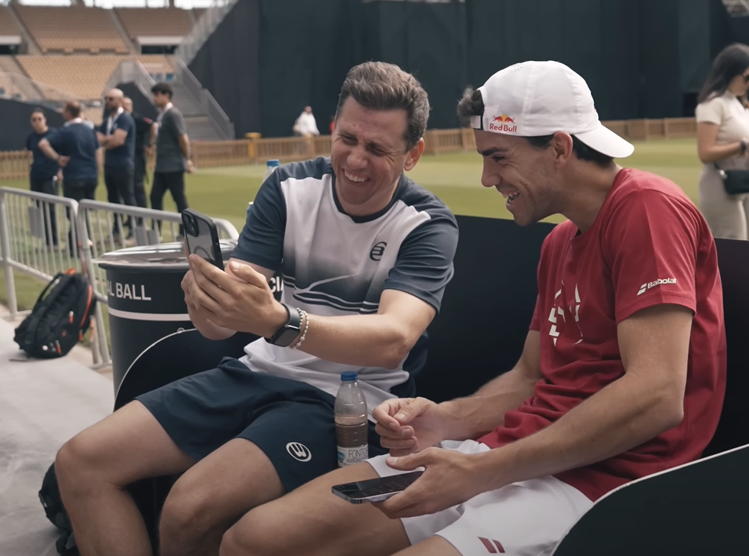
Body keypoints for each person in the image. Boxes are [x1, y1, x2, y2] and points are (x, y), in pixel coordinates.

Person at [221, 60, 726, 556]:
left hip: (600, 484)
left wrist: (481, 472)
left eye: (499, 157)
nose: (487, 178)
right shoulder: (560, 242)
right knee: (254, 539)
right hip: (509, 456)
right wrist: (444, 420)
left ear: (559, 148)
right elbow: (530, 379)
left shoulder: (648, 207)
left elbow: (658, 394)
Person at [54, 61, 459, 556]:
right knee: (80, 462)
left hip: (347, 400)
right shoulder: (288, 187)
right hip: (256, 371)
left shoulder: (426, 223)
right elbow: (222, 325)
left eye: (377, 149)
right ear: (332, 128)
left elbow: (395, 338)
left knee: (187, 507)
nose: (355, 160)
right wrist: (207, 299)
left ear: (413, 154)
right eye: (347, 139)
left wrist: (278, 322)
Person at [694, 43, 749, 242]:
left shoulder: (740, 104)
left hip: (747, 178)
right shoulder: (713, 104)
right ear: (729, 73)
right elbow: (705, 153)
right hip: (720, 182)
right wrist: (747, 143)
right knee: (733, 246)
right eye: (747, 77)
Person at [38, 101, 101, 251]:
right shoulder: (90, 130)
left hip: (74, 175)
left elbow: (43, 144)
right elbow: (98, 152)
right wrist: (97, 169)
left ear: (68, 113)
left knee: (74, 212)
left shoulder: (64, 132)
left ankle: (81, 244)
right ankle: (79, 242)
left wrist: (57, 158)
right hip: (90, 175)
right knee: (84, 211)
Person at [98, 88, 138, 240]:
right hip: (110, 164)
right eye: (106, 99)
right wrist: (109, 139)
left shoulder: (125, 119)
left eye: (111, 99)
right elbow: (99, 137)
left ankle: (133, 230)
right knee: (113, 198)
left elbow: (119, 140)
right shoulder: (108, 120)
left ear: (120, 101)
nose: (108, 102)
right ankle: (116, 229)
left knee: (128, 197)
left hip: (123, 164)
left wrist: (106, 141)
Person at [149, 82, 191, 218]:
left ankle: (185, 230)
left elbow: (183, 138)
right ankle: (157, 230)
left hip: (173, 165)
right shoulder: (162, 115)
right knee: (155, 197)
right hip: (162, 165)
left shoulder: (173, 114)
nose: (154, 98)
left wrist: (187, 159)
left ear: (166, 95)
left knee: (178, 198)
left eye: (157, 95)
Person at [26, 110, 61, 248]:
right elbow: (29, 152)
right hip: (36, 175)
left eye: (39, 119)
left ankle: (54, 241)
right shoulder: (31, 137)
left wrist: (60, 170)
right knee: (39, 208)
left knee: (50, 208)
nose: (37, 122)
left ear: (45, 120)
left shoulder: (53, 134)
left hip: (50, 175)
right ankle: (46, 240)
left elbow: (62, 152)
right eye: (34, 119)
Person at [125, 96, 156, 210]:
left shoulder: (137, 118)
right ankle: (131, 216)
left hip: (137, 156)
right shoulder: (120, 119)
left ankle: (142, 213)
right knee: (127, 188)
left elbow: (153, 125)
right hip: (126, 156)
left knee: (137, 185)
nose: (124, 107)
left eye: (126, 104)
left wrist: (150, 144)